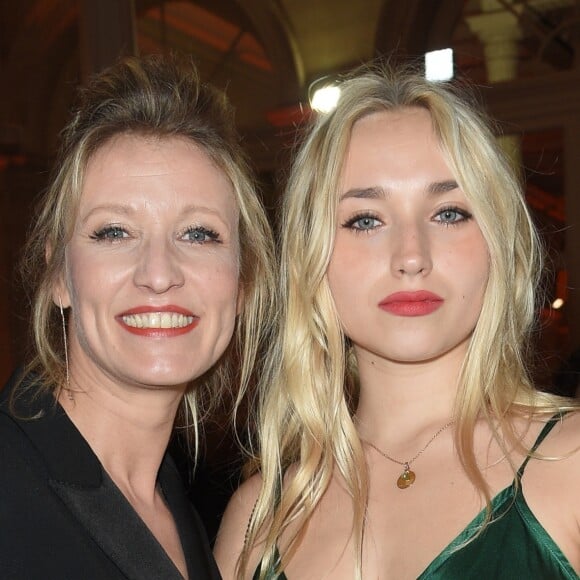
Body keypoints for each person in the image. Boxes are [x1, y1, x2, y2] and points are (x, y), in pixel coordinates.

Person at [214, 65, 580, 579]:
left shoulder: (570, 463)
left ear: (498, 244)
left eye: (449, 213)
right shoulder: (257, 522)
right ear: (310, 257)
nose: (412, 256)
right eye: (366, 220)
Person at [0, 53, 275, 580]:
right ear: (58, 275)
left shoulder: (181, 516)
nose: (158, 272)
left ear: (243, 283)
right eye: (114, 232)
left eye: (199, 233)